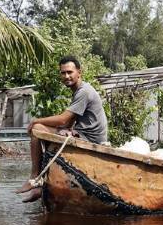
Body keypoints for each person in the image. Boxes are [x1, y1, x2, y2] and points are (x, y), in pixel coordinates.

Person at [17, 55, 108, 202]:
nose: (66, 76)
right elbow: (68, 122)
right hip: (81, 134)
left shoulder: (84, 91)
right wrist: (66, 129)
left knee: (38, 128)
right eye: (63, 73)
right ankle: (42, 186)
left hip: (90, 139)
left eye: (70, 72)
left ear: (79, 72)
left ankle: (35, 178)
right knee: (44, 133)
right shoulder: (79, 91)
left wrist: (35, 121)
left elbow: (63, 119)